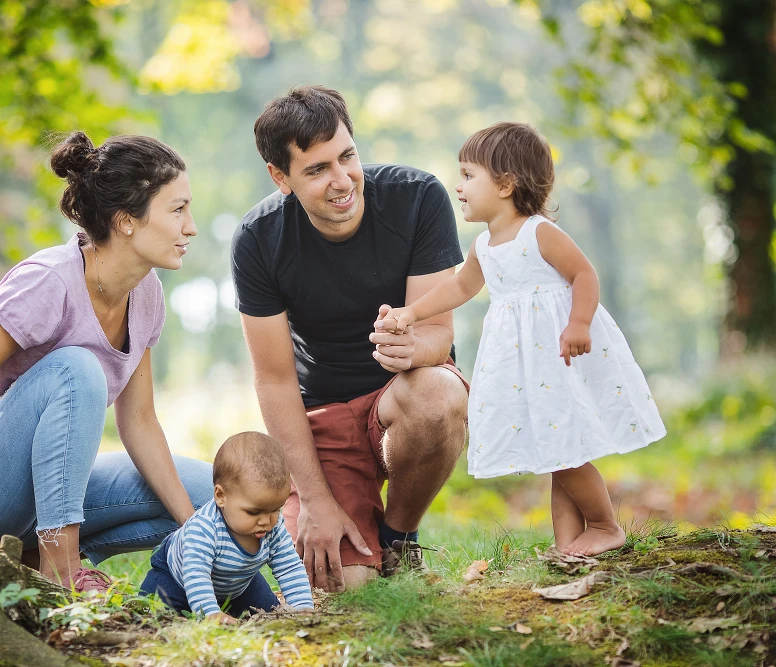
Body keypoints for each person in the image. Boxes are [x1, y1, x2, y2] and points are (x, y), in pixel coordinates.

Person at [0, 132, 214, 591]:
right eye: (177, 210)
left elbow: (138, 421)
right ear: (126, 221)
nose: (190, 227)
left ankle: (34, 559)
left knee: (209, 495)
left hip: (48, 490)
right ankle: (63, 569)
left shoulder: (147, 292)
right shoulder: (48, 282)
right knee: (76, 368)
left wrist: (193, 528)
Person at [378, 122, 666, 557]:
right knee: (556, 448)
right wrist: (411, 313)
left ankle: (605, 526)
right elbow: (459, 287)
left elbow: (583, 274)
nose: (459, 187)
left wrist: (579, 323)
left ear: (506, 184)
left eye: (468, 175)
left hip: (557, 353)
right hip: (524, 365)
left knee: (564, 450)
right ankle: (568, 542)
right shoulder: (483, 246)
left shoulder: (538, 233)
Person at [231, 86, 471, 591]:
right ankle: (352, 537)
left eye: (347, 157)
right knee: (343, 588)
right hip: (325, 416)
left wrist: (411, 347)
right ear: (280, 177)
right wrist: (315, 501)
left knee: (439, 395)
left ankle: (398, 539)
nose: (342, 181)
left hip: (403, 393)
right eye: (317, 169)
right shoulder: (257, 239)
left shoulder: (417, 197)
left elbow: (438, 336)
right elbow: (274, 382)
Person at [139, 432, 313, 621]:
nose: (266, 520)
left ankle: (225, 606)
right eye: (254, 512)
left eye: (275, 510)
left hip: (237, 583)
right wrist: (210, 613)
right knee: (156, 611)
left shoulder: (274, 527)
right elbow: (196, 574)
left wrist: (302, 607)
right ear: (221, 496)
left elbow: (289, 567)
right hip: (176, 578)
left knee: (268, 613)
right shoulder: (204, 528)